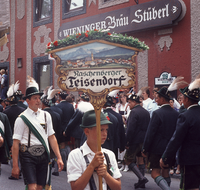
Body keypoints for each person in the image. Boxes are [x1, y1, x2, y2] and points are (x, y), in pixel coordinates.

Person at [11, 76, 63, 190]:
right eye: (35, 98)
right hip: (27, 155)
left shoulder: (46, 115)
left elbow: (52, 137)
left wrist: (59, 157)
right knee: (32, 187)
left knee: (40, 187)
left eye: (39, 98)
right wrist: (15, 166)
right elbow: (15, 144)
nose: (38, 100)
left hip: (44, 155)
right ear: (27, 101)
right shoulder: (21, 119)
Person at [160, 77, 200, 190]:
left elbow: (176, 139)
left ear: (186, 99)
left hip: (190, 160)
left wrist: (165, 157)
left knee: (188, 187)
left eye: (183, 97)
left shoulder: (185, 116)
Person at [67, 109, 122, 190]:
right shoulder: (76, 155)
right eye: (101, 130)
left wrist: (106, 175)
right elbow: (75, 188)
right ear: (87, 131)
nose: (105, 134)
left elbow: (118, 187)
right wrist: (92, 166)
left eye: (106, 129)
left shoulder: (109, 155)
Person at [142, 87, 179, 190]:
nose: (156, 100)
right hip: (170, 148)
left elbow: (150, 133)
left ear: (163, 99)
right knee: (165, 171)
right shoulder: (176, 114)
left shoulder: (157, 113)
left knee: (155, 173)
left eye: (157, 98)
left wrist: (145, 149)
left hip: (157, 149)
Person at [124, 93, 150, 189]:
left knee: (128, 160)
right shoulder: (146, 112)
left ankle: (141, 178)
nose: (128, 105)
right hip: (143, 140)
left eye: (130, 102)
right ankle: (141, 183)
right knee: (140, 160)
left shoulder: (134, 112)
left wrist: (127, 142)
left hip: (134, 141)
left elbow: (130, 129)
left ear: (135, 102)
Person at [3, 81, 26, 180]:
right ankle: (21, 169)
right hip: (22, 134)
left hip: (11, 134)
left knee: (13, 154)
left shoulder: (6, 112)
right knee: (21, 153)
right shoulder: (23, 110)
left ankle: (16, 170)